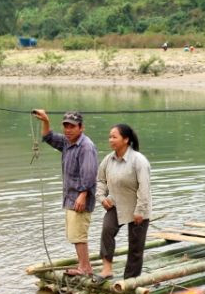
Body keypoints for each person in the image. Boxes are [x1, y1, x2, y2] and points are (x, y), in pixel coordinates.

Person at [33, 109, 98, 276]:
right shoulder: (67, 142)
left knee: (79, 234)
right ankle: (83, 264)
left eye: (72, 127)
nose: (68, 130)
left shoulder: (86, 147)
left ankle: (85, 268)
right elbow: (48, 137)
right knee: (74, 234)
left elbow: (90, 175)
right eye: (66, 126)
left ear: (81, 128)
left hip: (80, 198)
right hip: (71, 197)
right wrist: (45, 121)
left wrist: (83, 195)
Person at [95, 124, 152, 282]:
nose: (110, 140)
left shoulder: (139, 161)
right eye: (110, 136)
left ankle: (130, 280)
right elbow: (100, 180)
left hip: (138, 207)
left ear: (126, 139)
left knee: (135, 246)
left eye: (114, 137)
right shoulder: (109, 159)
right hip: (116, 203)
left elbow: (144, 187)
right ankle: (107, 269)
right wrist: (101, 198)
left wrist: (140, 210)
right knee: (107, 231)